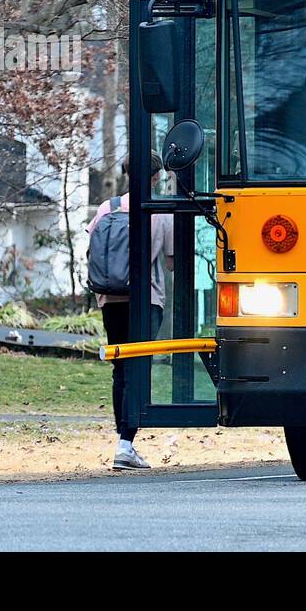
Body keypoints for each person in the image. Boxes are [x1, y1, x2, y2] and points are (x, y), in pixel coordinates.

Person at [87, 151, 174, 471]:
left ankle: (123, 440)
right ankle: (126, 444)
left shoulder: (105, 208)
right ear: (154, 177)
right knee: (139, 369)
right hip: (145, 300)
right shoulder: (159, 211)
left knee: (121, 368)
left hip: (110, 299)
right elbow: (171, 260)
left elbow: (92, 250)